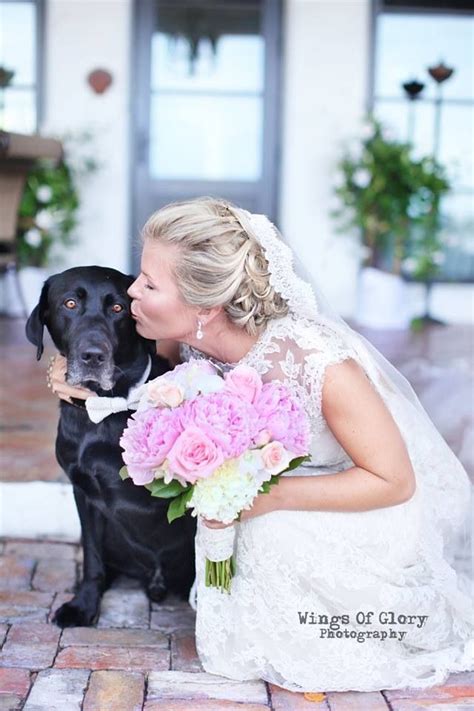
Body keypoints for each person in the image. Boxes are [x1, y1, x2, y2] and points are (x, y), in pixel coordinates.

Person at [48, 197, 473, 693]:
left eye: (148, 283)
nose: (132, 291)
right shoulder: (181, 336)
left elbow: (395, 482)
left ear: (205, 305)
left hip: (361, 500)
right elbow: (121, 376)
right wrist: (73, 375)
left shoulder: (319, 363)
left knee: (266, 538)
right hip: (268, 492)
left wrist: (255, 496)